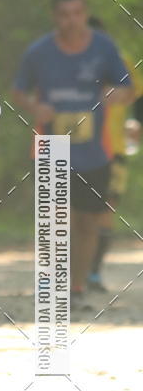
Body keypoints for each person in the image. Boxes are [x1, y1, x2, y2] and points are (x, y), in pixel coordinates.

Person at [13, 0, 133, 310]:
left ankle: (76, 289)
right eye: (64, 15)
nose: (71, 21)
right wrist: (34, 107)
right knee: (53, 221)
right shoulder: (39, 52)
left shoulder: (104, 48)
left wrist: (114, 95)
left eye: (77, 13)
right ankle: (52, 287)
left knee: (88, 223)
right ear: (55, 17)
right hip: (52, 146)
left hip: (95, 150)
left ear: (85, 13)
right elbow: (18, 92)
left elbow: (127, 88)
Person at [87, 16, 142, 291]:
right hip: (74, 147)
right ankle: (73, 272)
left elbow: (138, 95)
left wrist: (138, 123)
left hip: (114, 148)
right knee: (72, 212)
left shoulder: (120, 61)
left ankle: (93, 273)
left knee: (105, 210)